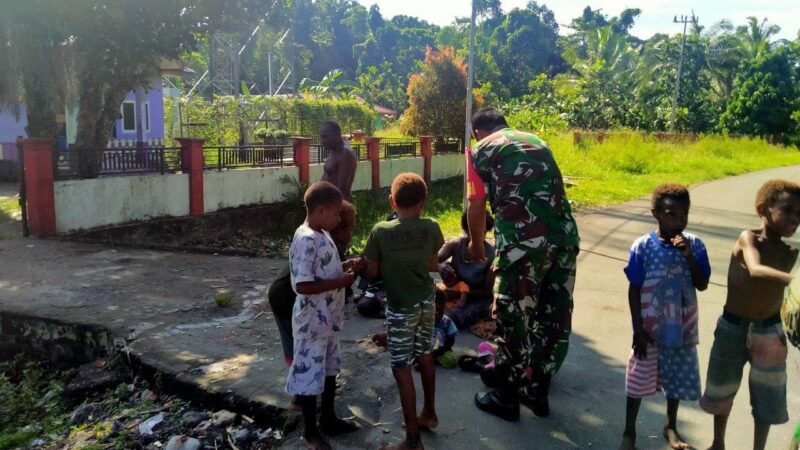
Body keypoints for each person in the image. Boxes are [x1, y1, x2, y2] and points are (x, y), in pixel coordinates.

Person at [465, 108, 580, 421]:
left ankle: (505, 397)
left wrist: (477, 247)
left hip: (523, 243)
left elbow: (476, 207)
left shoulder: (479, 150)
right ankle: (537, 390)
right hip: (565, 239)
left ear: (478, 131)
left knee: (514, 317)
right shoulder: (537, 141)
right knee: (552, 315)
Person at [700, 179, 800, 450]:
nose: (795, 218)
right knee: (722, 390)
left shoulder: (791, 252)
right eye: (788, 210)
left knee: (766, 399)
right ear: (763, 209)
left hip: (770, 332)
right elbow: (755, 270)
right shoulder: (748, 238)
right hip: (733, 326)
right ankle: (718, 443)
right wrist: (793, 279)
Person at [620, 184, 711, 450]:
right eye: (672, 214)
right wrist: (637, 328)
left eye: (684, 215)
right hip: (649, 328)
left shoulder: (695, 245)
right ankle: (629, 431)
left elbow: (702, 283)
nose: (679, 221)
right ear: (656, 213)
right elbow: (634, 288)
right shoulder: (643, 247)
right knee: (638, 380)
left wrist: (689, 256)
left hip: (681, 327)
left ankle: (670, 425)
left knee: (675, 379)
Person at [364, 172, 444, 450]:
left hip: (400, 308)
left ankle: (412, 440)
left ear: (392, 201)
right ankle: (429, 414)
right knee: (424, 355)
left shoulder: (380, 231)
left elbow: (372, 271)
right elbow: (432, 265)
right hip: (426, 302)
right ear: (423, 202)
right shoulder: (432, 227)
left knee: (401, 368)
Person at [286, 181, 359, 450]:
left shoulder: (322, 233)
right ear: (320, 210)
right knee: (309, 375)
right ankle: (309, 431)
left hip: (329, 318)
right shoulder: (305, 239)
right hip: (311, 321)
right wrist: (340, 282)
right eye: (336, 212)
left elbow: (324, 268)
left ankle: (328, 418)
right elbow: (302, 285)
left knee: (328, 370)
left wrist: (344, 267)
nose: (339, 218)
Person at [268, 201, 360, 367]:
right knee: (298, 345)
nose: (352, 232)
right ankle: (300, 377)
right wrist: (342, 281)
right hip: (284, 297)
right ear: (338, 228)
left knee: (309, 344)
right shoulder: (315, 241)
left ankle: (312, 376)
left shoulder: (331, 244)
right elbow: (308, 285)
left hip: (292, 295)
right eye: (351, 228)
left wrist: (348, 268)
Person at [437, 211, 496, 329]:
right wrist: (440, 267)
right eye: (474, 231)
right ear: (467, 230)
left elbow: (486, 291)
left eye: (483, 231)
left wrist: (460, 294)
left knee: (447, 319)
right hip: (452, 292)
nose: (479, 235)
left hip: (475, 299)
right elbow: (431, 259)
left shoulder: (491, 255)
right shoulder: (456, 244)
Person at [320, 121, 357, 201]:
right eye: (321, 137)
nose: (322, 141)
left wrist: (333, 211)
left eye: (325, 137)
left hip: (337, 205)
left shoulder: (345, 154)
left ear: (336, 135)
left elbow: (342, 189)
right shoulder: (335, 150)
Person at [432, 294, 458, 367]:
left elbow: (451, 341)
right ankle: (428, 361)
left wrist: (442, 350)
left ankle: (432, 361)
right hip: (427, 350)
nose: (436, 314)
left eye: (440, 311)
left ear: (444, 308)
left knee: (451, 360)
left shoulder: (447, 322)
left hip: (442, 350)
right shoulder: (425, 321)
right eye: (434, 310)